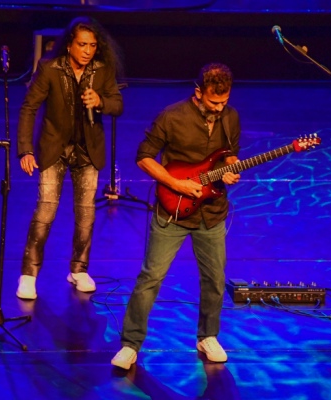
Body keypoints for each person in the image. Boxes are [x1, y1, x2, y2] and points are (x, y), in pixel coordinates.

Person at [111, 63, 241, 370]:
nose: (219, 108)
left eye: (224, 102)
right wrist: (175, 183)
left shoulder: (230, 117)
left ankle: (208, 336)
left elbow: (230, 154)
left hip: (211, 212)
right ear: (198, 93)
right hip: (174, 209)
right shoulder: (172, 116)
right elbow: (144, 157)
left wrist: (231, 169)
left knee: (215, 279)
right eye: (213, 102)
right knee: (151, 277)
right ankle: (130, 344)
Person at [15, 16, 123, 299]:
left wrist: (100, 102)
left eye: (92, 45)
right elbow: (29, 108)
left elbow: (117, 104)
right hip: (55, 149)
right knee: (46, 211)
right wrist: (26, 150)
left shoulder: (102, 70)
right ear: (70, 45)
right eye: (82, 44)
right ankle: (28, 274)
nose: (87, 51)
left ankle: (78, 269)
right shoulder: (49, 68)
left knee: (86, 213)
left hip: (88, 151)